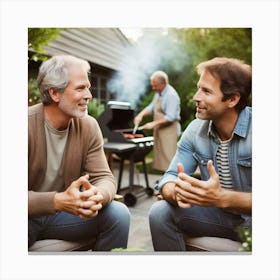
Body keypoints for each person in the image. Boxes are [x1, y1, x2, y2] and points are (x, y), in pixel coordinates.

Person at [28, 55, 130, 251]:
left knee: (119, 214)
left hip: (64, 216)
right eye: (80, 88)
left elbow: (104, 177)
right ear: (54, 93)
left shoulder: (88, 125)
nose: (89, 95)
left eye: (88, 87)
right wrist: (57, 201)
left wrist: (96, 195)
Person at [149, 57, 252, 251]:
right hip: (218, 217)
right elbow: (169, 178)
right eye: (199, 88)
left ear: (232, 99)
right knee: (160, 212)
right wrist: (175, 192)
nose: (196, 97)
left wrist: (223, 197)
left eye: (206, 91)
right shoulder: (195, 130)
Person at [134, 71, 181, 172]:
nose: (153, 88)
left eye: (155, 86)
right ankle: (165, 180)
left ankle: (173, 182)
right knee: (161, 158)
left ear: (163, 83)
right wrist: (140, 115)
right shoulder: (159, 94)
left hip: (169, 131)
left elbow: (170, 117)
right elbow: (151, 108)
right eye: (152, 85)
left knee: (169, 158)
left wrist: (153, 124)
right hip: (160, 130)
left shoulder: (171, 95)